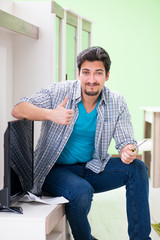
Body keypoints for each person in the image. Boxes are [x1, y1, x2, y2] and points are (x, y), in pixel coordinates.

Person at [12, 46, 151, 240]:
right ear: (78, 73)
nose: (91, 79)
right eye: (86, 72)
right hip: (55, 170)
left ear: (107, 76)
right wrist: (50, 114)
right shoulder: (59, 91)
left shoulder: (117, 101)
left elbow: (126, 141)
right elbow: (18, 109)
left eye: (98, 73)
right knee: (81, 191)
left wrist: (128, 150)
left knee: (137, 168)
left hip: (93, 167)